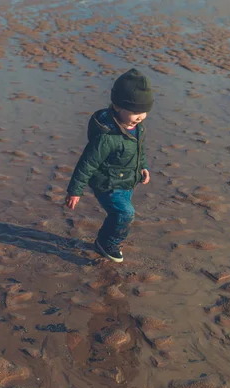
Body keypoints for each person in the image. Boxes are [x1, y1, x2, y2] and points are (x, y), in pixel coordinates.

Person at [64, 68, 153, 263]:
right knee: (125, 213)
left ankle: (109, 237)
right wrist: (75, 190)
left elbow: (139, 149)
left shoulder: (138, 128)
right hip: (108, 183)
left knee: (120, 213)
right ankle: (107, 242)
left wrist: (143, 166)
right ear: (117, 106)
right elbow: (87, 163)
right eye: (135, 112)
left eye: (143, 112)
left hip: (127, 180)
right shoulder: (106, 138)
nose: (140, 116)